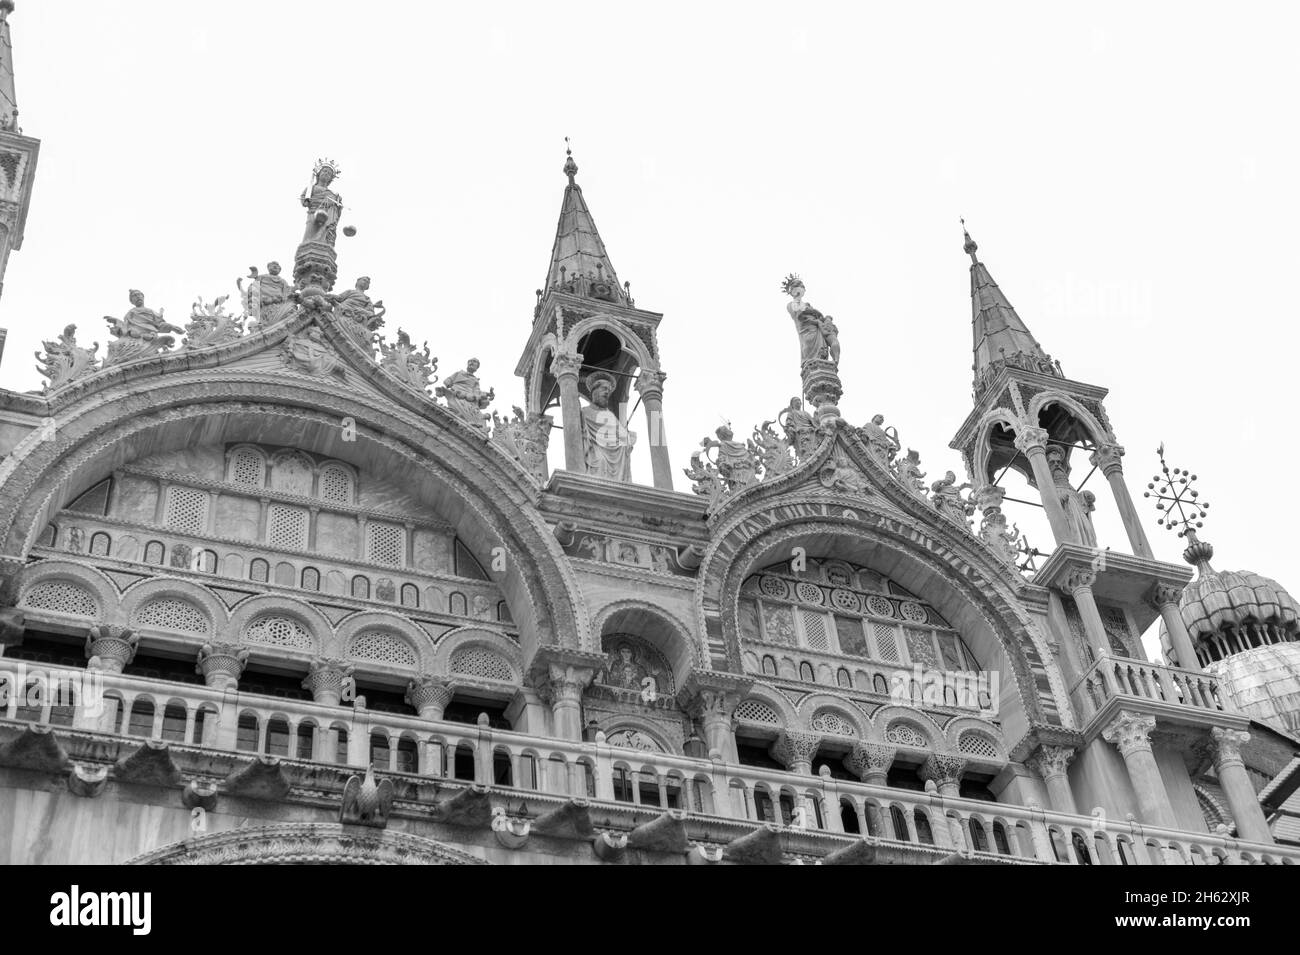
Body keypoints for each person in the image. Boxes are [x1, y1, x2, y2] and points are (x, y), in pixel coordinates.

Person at [580, 372, 635, 481]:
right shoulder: (584, 412)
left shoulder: (610, 415)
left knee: (624, 447)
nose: (606, 393)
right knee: (600, 460)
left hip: (616, 453)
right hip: (596, 450)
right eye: (604, 389)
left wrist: (628, 438)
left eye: (608, 391)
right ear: (594, 391)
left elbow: (623, 436)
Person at [781, 274, 828, 365]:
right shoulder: (791, 304)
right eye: (800, 287)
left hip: (815, 328)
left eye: (803, 287)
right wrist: (813, 311)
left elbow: (815, 314)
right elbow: (798, 313)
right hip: (805, 329)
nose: (802, 289)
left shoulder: (806, 303)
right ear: (793, 290)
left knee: (821, 352)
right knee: (807, 347)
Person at [438, 358, 494, 430]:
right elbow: (447, 382)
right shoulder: (459, 373)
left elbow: (477, 392)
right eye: (470, 361)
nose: (471, 363)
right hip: (457, 395)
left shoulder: (475, 380)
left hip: (469, 399)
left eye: (474, 362)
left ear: (477, 367)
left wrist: (488, 394)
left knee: (474, 414)